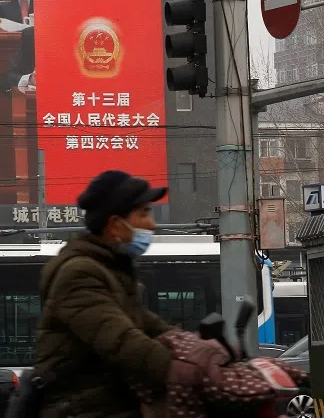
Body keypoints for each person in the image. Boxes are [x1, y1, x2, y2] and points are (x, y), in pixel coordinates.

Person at [33, 170, 224, 418]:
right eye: (144, 213)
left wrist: (205, 351)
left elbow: (152, 326)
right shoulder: (79, 273)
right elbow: (122, 341)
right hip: (79, 408)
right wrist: (188, 370)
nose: (152, 224)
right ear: (115, 225)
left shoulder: (113, 269)